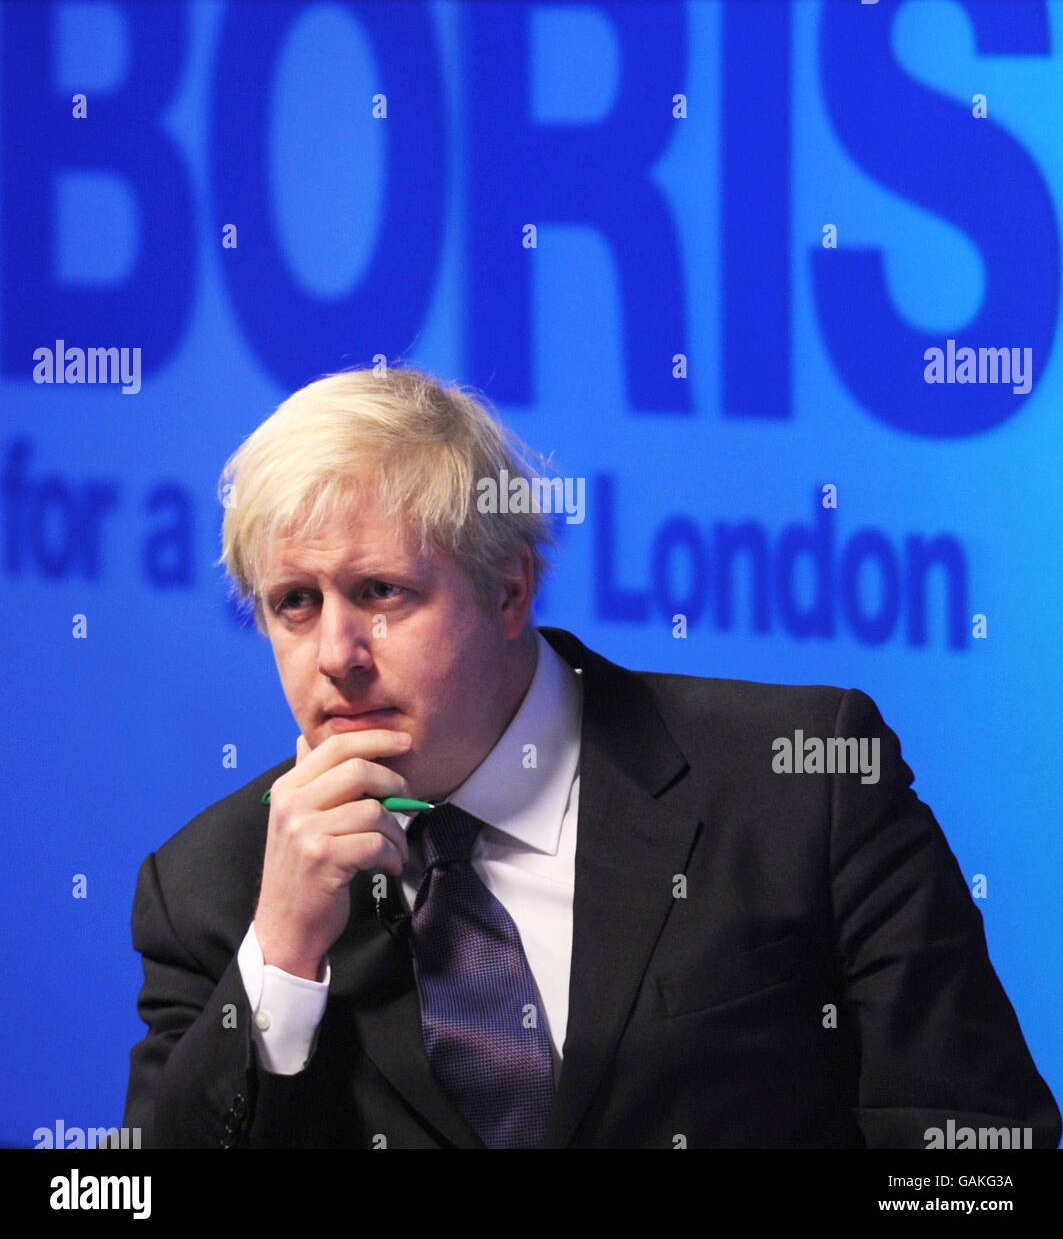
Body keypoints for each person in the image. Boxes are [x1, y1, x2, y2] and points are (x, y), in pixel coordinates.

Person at [123, 367, 1060, 1149]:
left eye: (380, 591)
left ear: (506, 591)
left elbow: (975, 1148)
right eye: (294, 603)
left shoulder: (800, 784)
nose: (336, 653)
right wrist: (282, 958)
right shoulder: (214, 887)